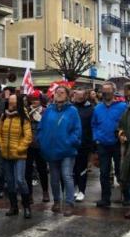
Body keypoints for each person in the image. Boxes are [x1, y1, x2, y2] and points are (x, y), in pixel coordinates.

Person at [38, 86, 81, 216]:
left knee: (67, 176)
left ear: (67, 95)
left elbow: (77, 130)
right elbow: (41, 127)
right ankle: (56, 201)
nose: (59, 94)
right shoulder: (48, 111)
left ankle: (69, 203)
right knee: (54, 178)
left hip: (67, 150)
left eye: (62, 92)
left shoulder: (72, 111)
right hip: (51, 150)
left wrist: (69, 141)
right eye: (57, 92)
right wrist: (41, 140)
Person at [91, 82, 128, 208]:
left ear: (114, 91)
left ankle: (126, 197)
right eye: (104, 91)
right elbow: (94, 124)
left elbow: (128, 123)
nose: (106, 94)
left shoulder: (123, 106)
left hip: (118, 144)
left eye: (109, 91)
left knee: (121, 172)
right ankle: (105, 199)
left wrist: (124, 136)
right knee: (104, 173)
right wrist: (96, 138)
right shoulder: (97, 108)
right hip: (102, 144)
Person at [0, 94, 33, 218]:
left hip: (19, 155)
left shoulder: (23, 117)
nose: (12, 104)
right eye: (10, 102)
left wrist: (19, 148)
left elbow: (28, 136)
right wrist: (0, 145)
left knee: (20, 180)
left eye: (14, 102)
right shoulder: (3, 116)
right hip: (5, 154)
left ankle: (27, 207)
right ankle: (14, 206)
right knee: (10, 182)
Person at [26, 91, 49, 203]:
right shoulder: (26, 111)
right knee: (28, 170)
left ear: (40, 100)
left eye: (37, 99)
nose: (35, 101)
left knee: (42, 169)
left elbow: (48, 126)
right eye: (33, 99)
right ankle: (29, 194)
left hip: (40, 144)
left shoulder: (45, 111)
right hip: (28, 144)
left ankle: (45, 192)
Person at [72, 89, 94, 202]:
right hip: (72, 143)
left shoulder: (90, 109)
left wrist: (92, 146)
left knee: (82, 168)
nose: (79, 98)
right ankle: (75, 188)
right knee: (73, 168)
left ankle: (82, 190)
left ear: (85, 96)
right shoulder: (71, 108)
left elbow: (92, 127)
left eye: (81, 96)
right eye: (77, 96)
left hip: (84, 143)